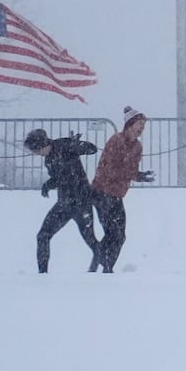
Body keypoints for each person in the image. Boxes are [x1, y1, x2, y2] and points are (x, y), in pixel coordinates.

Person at [24, 128, 102, 274]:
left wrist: (77, 144)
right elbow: (60, 177)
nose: (36, 154)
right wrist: (48, 185)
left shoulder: (64, 145)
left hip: (81, 202)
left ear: (42, 145)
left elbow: (92, 149)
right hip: (64, 204)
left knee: (90, 239)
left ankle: (101, 267)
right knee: (43, 236)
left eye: (36, 150)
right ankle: (42, 274)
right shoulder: (48, 160)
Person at [90, 106, 155, 273]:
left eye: (143, 125)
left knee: (119, 235)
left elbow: (130, 170)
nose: (141, 128)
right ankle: (103, 267)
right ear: (129, 124)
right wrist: (133, 174)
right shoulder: (116, 140)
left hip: (116, 194)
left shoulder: (137, 147)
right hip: (101, 192)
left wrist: (140, 175)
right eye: (139, 124)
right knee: (113, 233)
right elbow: (110, 169)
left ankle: (104, 265)